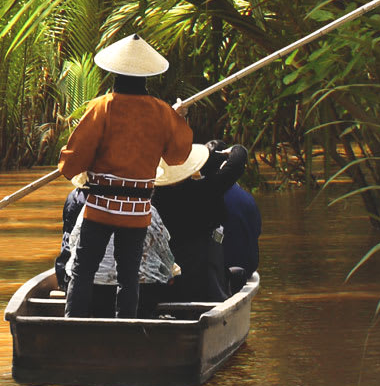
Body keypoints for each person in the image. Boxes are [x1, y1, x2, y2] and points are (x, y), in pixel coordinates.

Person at [55, 34, 194, 318]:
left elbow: (75, 158)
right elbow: (177, 155)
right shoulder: (161, 112)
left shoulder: (102, 106)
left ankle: (73, 325)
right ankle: (125, 326)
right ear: (146, 76)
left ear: (115, 73)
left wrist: (66, 166)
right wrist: (178, 118)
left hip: (101, 207)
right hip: (137, 210)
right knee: (129, 276)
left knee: (83, 270)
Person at [54, 181, 178, 315]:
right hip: (141, 293)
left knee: (82, 276)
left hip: (92, 294)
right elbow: (165, 256)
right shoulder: (147, 209)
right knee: (145, 278)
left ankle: (75, 322)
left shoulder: (89, 208)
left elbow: (72, 247)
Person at [153, 140, 248, 301]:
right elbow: (236, 164)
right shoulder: (204, 189)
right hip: (203, 270)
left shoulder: (155, 196)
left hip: (172, 273)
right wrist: (236, 149)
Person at [220, 172, 261, 293]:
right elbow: (257, 231)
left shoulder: (213, 196)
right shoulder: (248, 198)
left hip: (223, 268)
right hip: (248, 264)